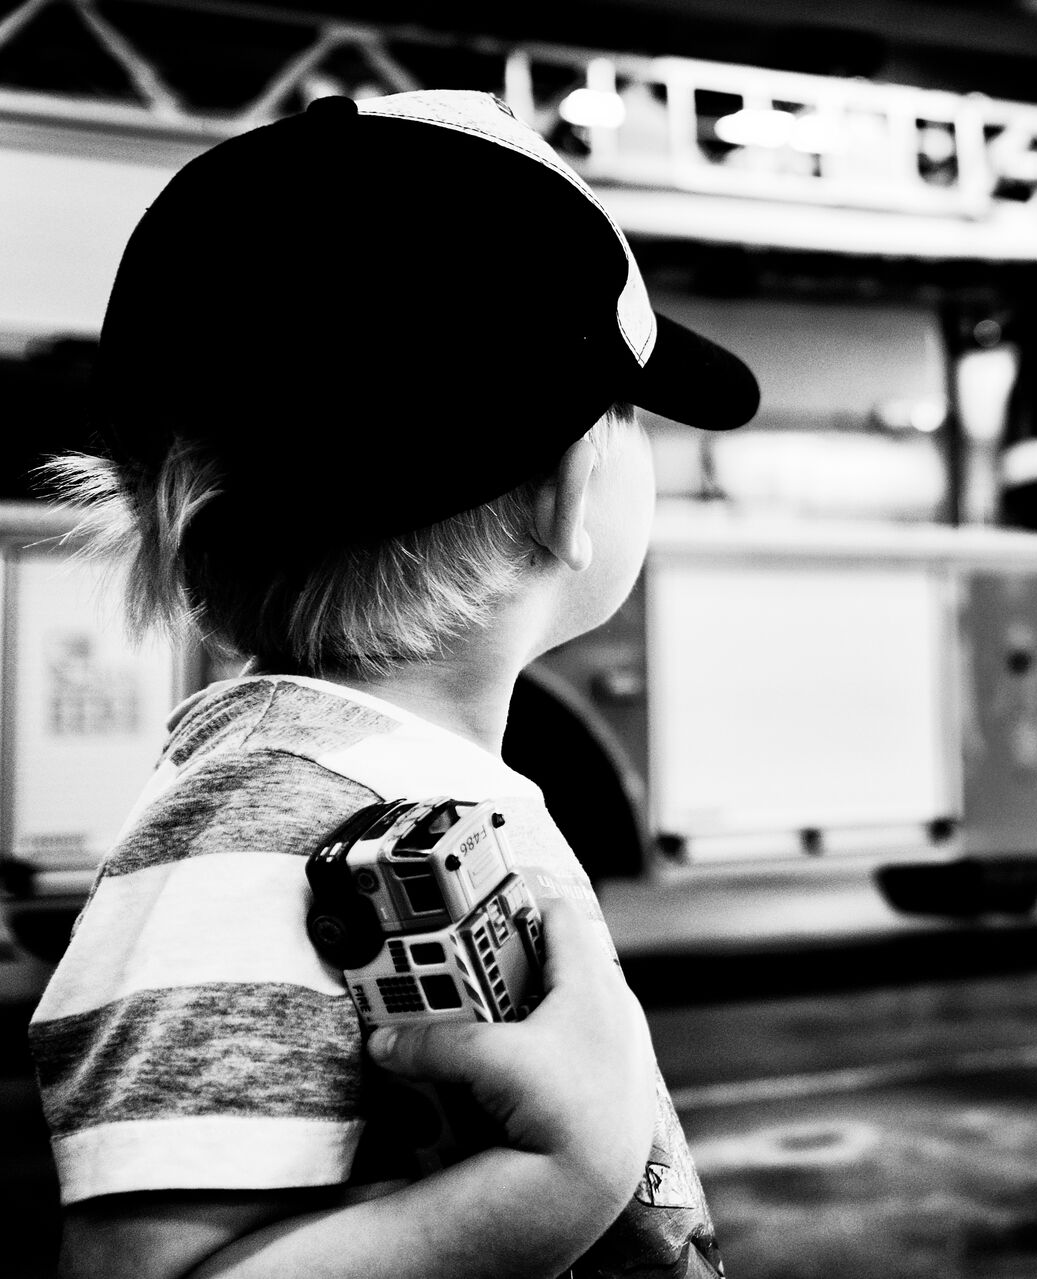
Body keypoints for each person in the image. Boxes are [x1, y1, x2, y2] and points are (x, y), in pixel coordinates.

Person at [27, 89, 758, 1279]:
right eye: (633, 414)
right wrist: (558, 1183)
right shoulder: (259, 842)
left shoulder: (353, 799)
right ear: (574, 488)